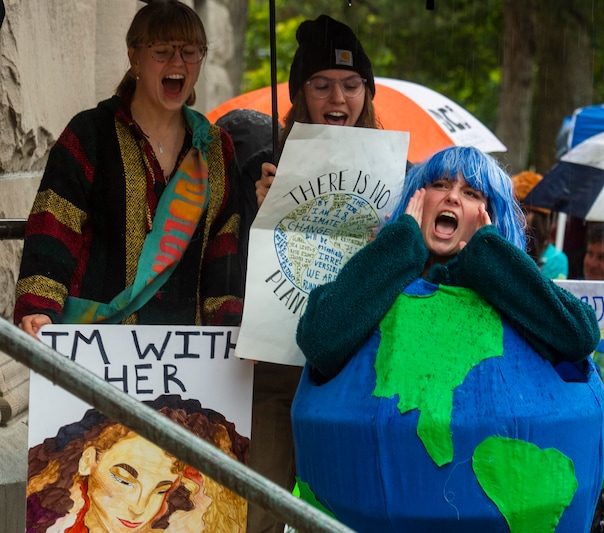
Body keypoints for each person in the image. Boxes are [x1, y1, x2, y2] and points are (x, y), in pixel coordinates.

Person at [14, 0, 244, 336]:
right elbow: (54, 225)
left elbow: (224, 251)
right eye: (162, 51)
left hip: (186, 360)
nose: (178, 62)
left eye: (191, 51)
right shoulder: (89, 134)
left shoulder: (216, 149)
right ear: (134, 57)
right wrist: (39, 307)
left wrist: (231, 328)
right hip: (96, 348)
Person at [296, 146, 600, 381]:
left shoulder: (509, 280)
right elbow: (320, 342)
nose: (452, 197)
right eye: (441, 185)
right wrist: (398, 247)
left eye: (470, 193)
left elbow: (580, 334)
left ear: (491, 218)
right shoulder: (379, 264)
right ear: (418, 198)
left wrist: (492, 260)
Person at [244, 14, 381, 533]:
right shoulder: (261, 164)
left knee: (342, 516)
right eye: (321, 85)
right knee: (259, 513)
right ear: (299, 94)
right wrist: (259, 212)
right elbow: (229, 264)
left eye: (351, 85)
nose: (337, 99)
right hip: (276, 370)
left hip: (353, 375)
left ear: (368, 93)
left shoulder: (397, 170)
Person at [26, 395, 249, 533]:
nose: (139, 508)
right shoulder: (46, 519)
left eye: (162, 489)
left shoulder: (180, 522)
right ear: (88, 460)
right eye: (123, 479)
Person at [511, 170, 568, 280]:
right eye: (513, 210)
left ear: (540, 218)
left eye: (523, 211)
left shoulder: (555, 260)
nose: (516, 218)